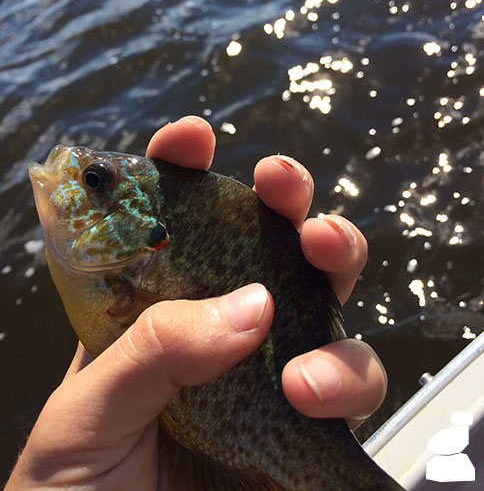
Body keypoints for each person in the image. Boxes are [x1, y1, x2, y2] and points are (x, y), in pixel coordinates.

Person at [6, 116, 387, 490]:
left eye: (95, 181)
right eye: (95, 179)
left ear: (150, 233)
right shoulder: (116, 276)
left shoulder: (116, 277)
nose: (70, 174)